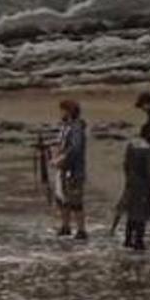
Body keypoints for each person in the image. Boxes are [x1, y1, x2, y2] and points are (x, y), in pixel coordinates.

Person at [53, 99, 88, 240]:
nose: (60, 113)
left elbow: (75, 148)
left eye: (62, 110)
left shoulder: (76, 128)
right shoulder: (66, 127)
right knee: (62, 198)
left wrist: (61, 158)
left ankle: (81, 230)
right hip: (64, 169)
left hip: (74, 170)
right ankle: (65, 226)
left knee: (76, 201)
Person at [119, 135, 150, 251]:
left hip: (132, 183)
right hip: (143, 186)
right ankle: (139, 241)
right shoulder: (148, 150)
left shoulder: (131, 146)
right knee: (141, 215)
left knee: (131, 212)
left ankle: (128, 239)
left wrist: (129, 179)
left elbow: (126, 165)